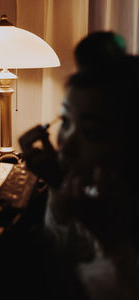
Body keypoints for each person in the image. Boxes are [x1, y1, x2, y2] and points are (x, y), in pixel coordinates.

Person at [19, 35, 139, 299]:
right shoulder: (93, 191)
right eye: (66, 121)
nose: (66, 143)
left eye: (92, 133)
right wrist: (57, 189)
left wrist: (111, 241)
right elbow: (59, 263)